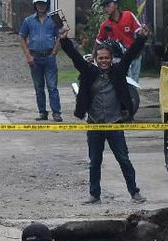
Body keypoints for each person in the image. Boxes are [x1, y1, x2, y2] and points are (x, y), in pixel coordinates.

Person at [60, 24, 148, 205]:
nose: (104, 61)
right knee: (94, 161)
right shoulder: (88, 72)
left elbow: (131, 54)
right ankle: (94, 195)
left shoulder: (118, 71)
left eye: (107, 58)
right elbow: (75, 57)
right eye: (100, 58)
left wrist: (142, 38)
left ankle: (134, 192)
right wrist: (64, 40)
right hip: (94, 124)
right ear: (95, 59)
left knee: (124, 160)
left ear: (111, 59)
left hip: (115, 124)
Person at [19, 0, 61, 122]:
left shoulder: (54, 18)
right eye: (39, 4)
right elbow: (21, 37)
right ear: (35, 5)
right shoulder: (28, 21)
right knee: (38, 87)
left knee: (52, 86)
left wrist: (55, 50)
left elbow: (61, 34)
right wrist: (28, 56)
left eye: (43, 4)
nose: (41, 6)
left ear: (46, 5)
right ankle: (42, 112)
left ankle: (56, 112)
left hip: (49, 56)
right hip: (35, 57)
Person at [97, 0, 143, 96]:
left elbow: (140, 31)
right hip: (120, 58)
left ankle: (132, 105)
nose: (106, 8)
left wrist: (143, 34)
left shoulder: (128, 15)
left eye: (108, 5)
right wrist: (93, 57)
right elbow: (98, 42)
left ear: (116, 5)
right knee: (125, 82)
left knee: (134, 84)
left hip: (135, 54)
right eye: (104, 6)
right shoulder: (105, 25)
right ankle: (124, 105)